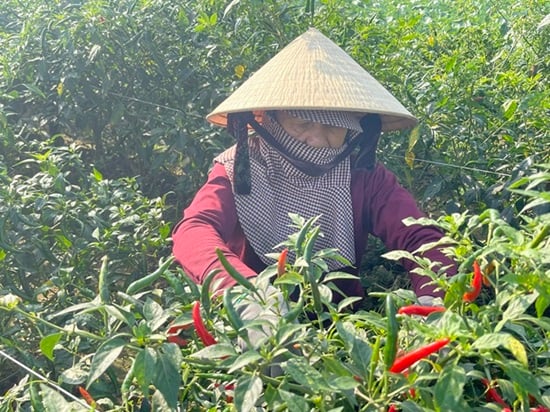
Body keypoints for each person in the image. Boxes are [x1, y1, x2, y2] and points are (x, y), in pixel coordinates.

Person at [172, 28, 455, 310]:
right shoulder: (240, 168)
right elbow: (194, 230)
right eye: (302, 124)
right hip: (257, 324)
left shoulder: (362, 175)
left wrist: (436, 294)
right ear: (271, 120)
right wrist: (244, 295)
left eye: (333, 126)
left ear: (355, 129)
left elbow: (420, 235)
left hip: (340, 317)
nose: (317, 140)